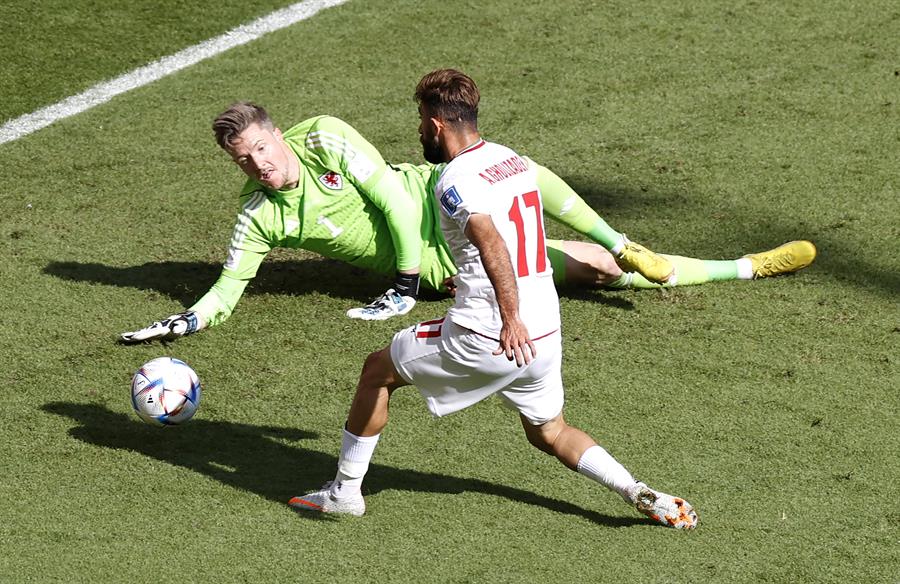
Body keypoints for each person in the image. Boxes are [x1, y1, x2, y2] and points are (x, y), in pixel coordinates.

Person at [288, 69, 698, 529]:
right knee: (550, 431)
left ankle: (344, 493)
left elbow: (491, 242)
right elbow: (510, 242)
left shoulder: (452, 181)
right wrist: (475, 288)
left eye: (421, 120)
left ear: (438, 123)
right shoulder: (513, 160)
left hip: (492, 332)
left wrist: (509, 317)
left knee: (375, 371)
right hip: (544, 332)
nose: (419, 130)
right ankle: (636, 490)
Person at [119, 98, 816, 342]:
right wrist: (185, 321)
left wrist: (398, 283)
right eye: (244, 161)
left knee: (519, 170)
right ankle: (744, 267)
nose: (260, 166)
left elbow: (392, 201)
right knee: (599, 277)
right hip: (449, 264)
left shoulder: (324, 136)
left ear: (278, 133)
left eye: (262, 149)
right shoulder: (259, 219)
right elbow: (227, 288)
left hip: (434, 196)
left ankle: (620, 237)